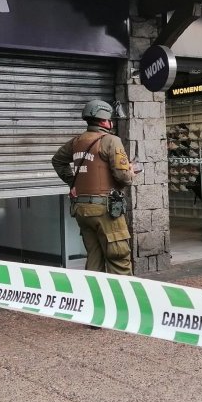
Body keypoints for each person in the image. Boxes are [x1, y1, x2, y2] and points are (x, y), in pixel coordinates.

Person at [52, 99, 139, 275]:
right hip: (104, 210)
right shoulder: (111, 140)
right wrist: (131, 171)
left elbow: (57, 161)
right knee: (118, 258)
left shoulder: (76, 141)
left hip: (82, 210)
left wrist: (73, 183)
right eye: (110, 118)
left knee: (94, 258)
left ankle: (95, 298)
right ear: (104, 120)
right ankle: (123, 300)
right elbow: (123, 177)